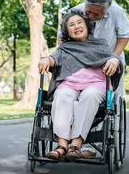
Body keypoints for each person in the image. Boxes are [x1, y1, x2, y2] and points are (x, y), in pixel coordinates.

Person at [38, 9, 123, 162]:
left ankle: (75, 146)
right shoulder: (65, 48)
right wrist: (46, 60)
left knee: (89, 95)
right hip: (70, 85)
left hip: (95, 85)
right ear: (67, 31)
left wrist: (114, 60)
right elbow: (53, 59)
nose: (76, 27)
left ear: (87, 26)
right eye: (71, 25)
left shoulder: (100, 44)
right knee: (62, 95)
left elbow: (113, 58)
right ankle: (62, 146)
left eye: (79, 23)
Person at [57, 0, 129, 98]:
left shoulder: (117, 12)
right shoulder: (74, 12)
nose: (91, 16)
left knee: (110, 100)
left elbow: (124, 36)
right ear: (86, 3)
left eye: (97, 14)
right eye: (88, 11)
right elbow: (62, 37)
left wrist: (114, 58)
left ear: (106, 9)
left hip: (109, 64)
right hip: (81, 66)